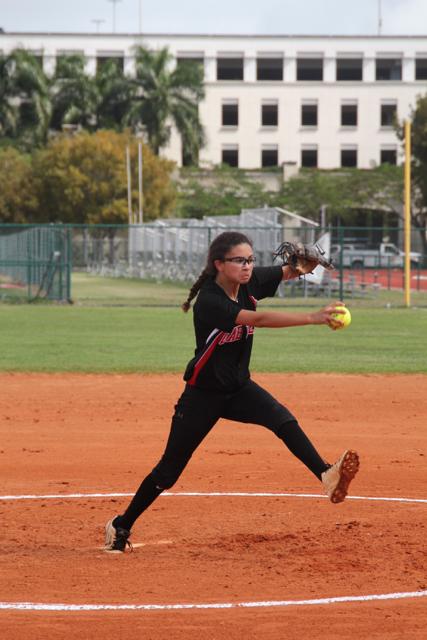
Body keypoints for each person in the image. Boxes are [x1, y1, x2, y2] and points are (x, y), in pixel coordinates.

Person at [105, 231, 360, 552]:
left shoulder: (249, 281)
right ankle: (121, 525)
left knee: (282, 418)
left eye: (251, 259)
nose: (248, 266)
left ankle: (326, 475)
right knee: (167, 473)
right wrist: (312, 317)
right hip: (202, 395)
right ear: (219, 265)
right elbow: (259, 318)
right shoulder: (210, 301)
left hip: (238, 387)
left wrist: (303, 266)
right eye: (240, 260)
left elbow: (286, 271)